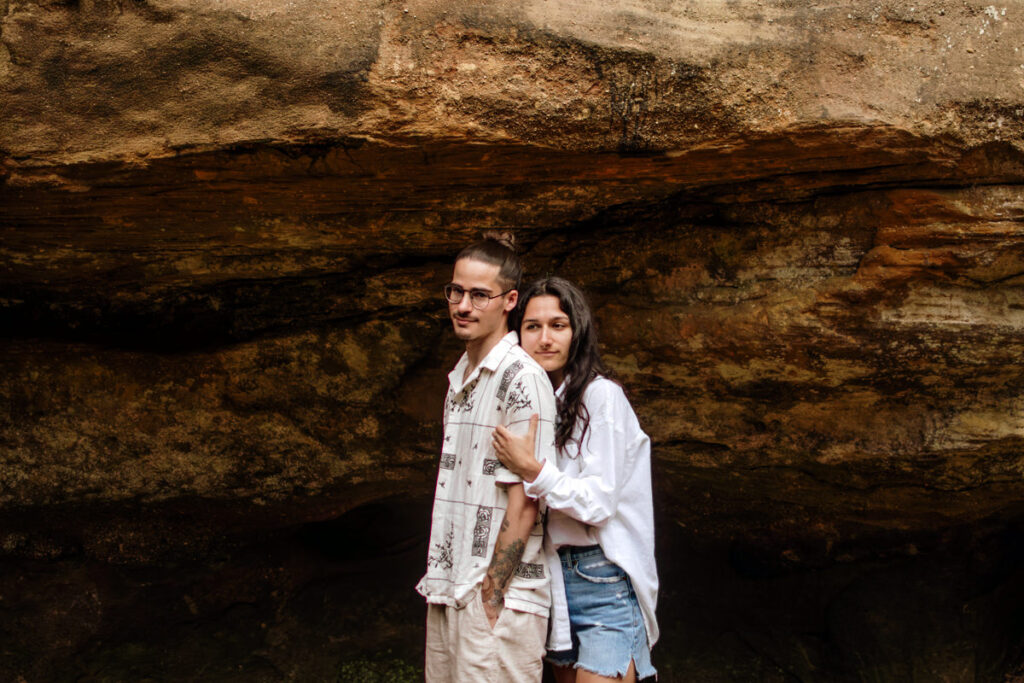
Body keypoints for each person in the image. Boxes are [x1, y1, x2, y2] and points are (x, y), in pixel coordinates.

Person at [491, 277, 658, 683]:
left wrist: (532, 469)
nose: (545, 338)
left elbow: (598, 503)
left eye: (558, 325)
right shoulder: (534, 402)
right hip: (551, 582)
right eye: (532, 326)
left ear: (576, 332)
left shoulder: (602, 397)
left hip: (604, 581)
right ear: (517, 334)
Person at [416, 234, 559, 683]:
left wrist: (491, 596)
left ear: (509, 300)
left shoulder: (523, 379)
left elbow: (526, 501)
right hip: (447, 589)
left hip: (495, 599)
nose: (463, 305)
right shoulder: (460, 378)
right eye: (456, 291)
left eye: (480, 295)